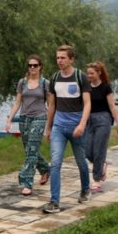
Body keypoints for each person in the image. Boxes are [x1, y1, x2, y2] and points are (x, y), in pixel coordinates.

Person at [42, 45, 92, 213]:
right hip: (59, 126)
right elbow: (52, 105)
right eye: (57, 57)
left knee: (81, 161)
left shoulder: (80, 77)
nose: (59, 61)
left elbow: (87, 104)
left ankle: (85, 189)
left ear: (71, 59)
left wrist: (82, 124)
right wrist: (48, 128)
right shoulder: (54, 78)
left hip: (77, 127)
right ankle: (54, 201)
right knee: (55, 163)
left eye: (63, 57)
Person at [5, 54, 50, 196]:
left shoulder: (45, 83)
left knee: (32, 149)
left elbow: (50, 104)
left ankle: (26, 182)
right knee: (29, 149)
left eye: (35, 65)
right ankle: (45, 169)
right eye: (30, 65)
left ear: (40, 67)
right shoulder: (22, 82)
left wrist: (51, 122)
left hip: (39, 118)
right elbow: (18, 102)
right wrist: (10, 119)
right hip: (24, 119)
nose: (32, 68)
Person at [84, 61, 118, 191]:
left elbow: (112, 106)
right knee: (86, 151)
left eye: (92, 73)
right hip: (89, 120)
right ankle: (101, 165)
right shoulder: (86, 87)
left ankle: (96, 179)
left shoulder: (105, 87)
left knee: (98, 150)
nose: (89, 75)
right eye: (88, 73)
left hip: (103, 119)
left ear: (99, 73)